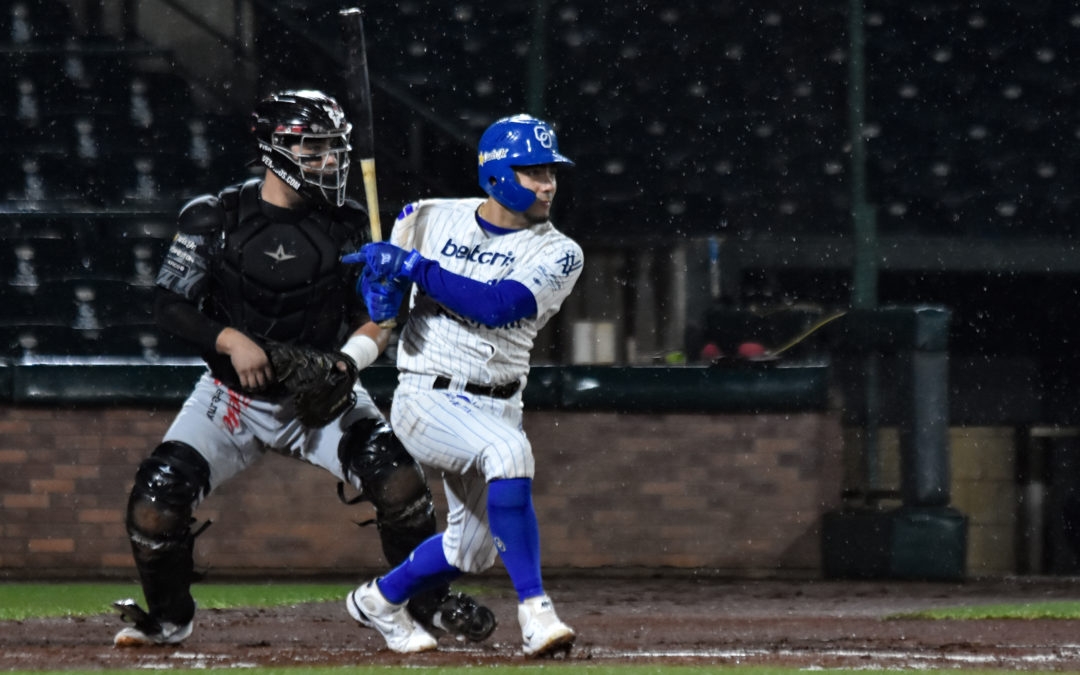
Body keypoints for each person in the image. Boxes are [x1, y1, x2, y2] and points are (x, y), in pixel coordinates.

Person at [112, 89, 494, 647]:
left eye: (335, 149)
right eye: (314, 149)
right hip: (230, 399)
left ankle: (426, 604)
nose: (331, 161)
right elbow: (168, 304)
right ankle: (170, 618)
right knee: (155, 501)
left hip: (326, 394)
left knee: (401, 484)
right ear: (273, 147)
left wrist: (350, 359)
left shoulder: (348, 223)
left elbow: (374, 321)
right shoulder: (213, 216)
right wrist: (231, 340)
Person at [342, 114, 584, 657]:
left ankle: (379, 600)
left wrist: (412, 266)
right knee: (508, 454)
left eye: (551, 171)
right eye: (532, 171)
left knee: (470, 551)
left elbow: (498, 308)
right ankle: (536, 613)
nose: (547, 183)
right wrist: (381, 291)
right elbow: (384, 310)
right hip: (426, 395)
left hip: (498, 402)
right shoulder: (426, 217)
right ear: (497, 174)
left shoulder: (560, 251)